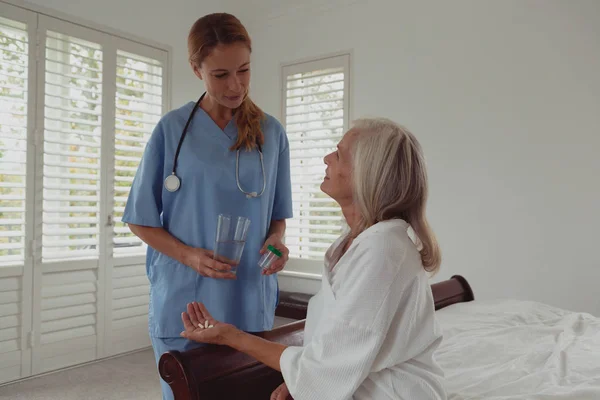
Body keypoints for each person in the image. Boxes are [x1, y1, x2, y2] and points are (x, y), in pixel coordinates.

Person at [178, 117, 448, 400]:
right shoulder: (354, 242)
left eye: (339, 154)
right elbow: (335, 347)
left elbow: (328, 368)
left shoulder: (384, 250)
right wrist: (303, 380)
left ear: (366, 174)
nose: (326, 158)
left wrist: (229, 336)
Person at [121, 12, 293, 400]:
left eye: (244, 70)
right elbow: (139, 219)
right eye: (220, 75)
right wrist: (189, 256)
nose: (236, 85)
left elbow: (277, 215)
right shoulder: (171, 131)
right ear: (196, 69)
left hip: (248, 295)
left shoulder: (271, 133)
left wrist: (277, 242)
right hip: (187, 300)